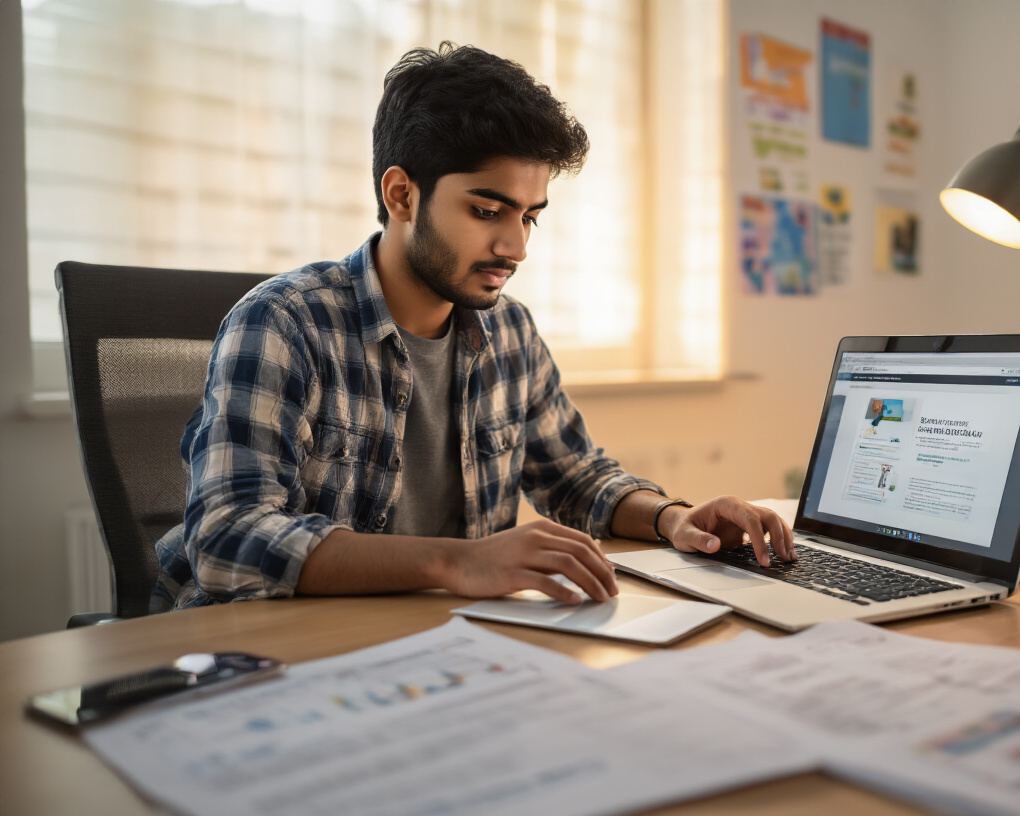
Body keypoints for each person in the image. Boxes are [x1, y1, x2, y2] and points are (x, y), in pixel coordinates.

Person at [151, 43, 795, 613]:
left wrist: (674, 520)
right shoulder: (285, 323)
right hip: (272, 653)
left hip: (441, 644)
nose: (515, 247)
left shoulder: (509, 331)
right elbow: (228, 538)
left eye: (531, 218)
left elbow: (573, 477)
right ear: (402, 196)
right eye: (488, 210)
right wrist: (459, 562)